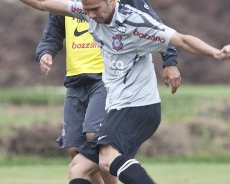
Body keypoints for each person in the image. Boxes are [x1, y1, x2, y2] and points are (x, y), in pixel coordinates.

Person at [19, 0, 230, 183]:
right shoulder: (85, 9)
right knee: (78, 168)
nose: (91, 16)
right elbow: (41, 3)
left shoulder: (135, 21)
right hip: (118, 106)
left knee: (107, 158)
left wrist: (216, 53)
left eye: (95, 9)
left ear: (111, 1)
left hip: (139, 106)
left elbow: (181, 39)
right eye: (88, 11)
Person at [36, 0, 181, 184]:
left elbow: (157, 28)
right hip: (75, 80)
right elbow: (52, 34)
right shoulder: (67, 3)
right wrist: (46, 52)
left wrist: (170, 61)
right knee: (75, 150)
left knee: (95, 138)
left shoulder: (123, 3)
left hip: (106, 77)